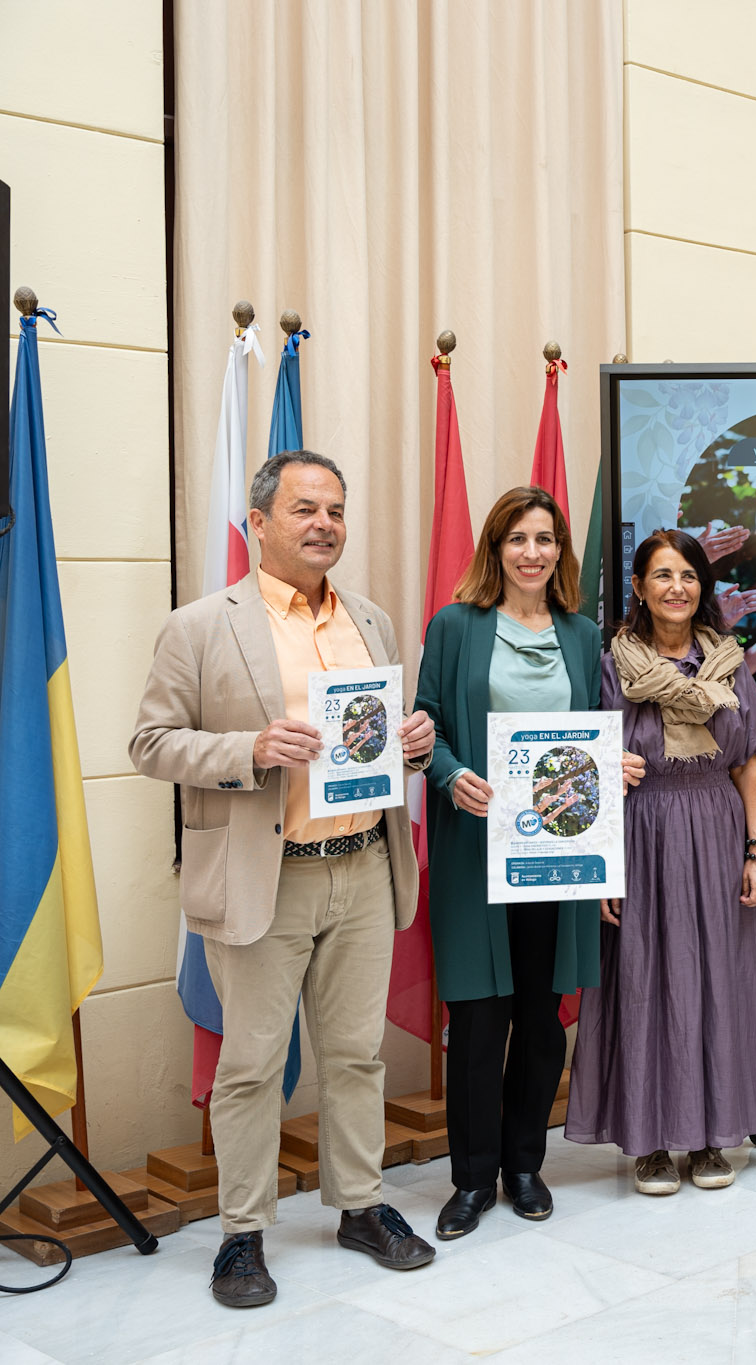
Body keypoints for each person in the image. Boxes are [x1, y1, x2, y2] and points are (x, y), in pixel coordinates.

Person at [131, 451, 439, 1307]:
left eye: (336, 510)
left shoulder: (371, 621)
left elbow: (372, 745)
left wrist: (412, 744)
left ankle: (361, 1205)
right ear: (259, 521)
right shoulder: (200, 625)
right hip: (266, 879)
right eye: (305, 508)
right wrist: (248, 751)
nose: (324, 524)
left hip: (364, 868)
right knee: (254, 1065)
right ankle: (242, 1234)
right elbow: (150, 743)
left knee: (356, 1056)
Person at [415, 487, 632, 1240]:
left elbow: (597, 734)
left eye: (545, 538)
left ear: (560, 550)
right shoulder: (455, 627)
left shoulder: (582, 635)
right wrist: (448, 774)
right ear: (495, 548)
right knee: (478, 1019)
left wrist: (615, 768)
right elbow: (425, 727)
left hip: (560, 853)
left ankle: (525, 1163)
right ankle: (472, 1178)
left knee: (543, 1018)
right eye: (517, 538)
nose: (532, 552)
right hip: (476, 849)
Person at [566, 529, 756, 1193]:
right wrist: (600, 865)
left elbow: (746, 764)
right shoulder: (613, 664)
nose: (676, 587)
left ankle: (713, 1134)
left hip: (717, 832)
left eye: (688, 575)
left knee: (719, 979)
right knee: (644, 980)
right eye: (661, 575)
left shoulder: (729, 661)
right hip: (640, 833)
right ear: (638, 587)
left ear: (703, 586)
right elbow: (585, 761)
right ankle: (653, 1140)